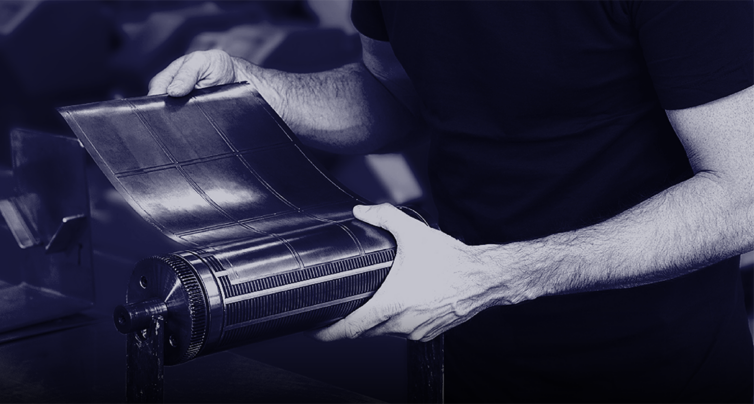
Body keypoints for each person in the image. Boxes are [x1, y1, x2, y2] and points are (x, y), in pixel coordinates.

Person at [147, 0, 754, 401]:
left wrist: (494, 275)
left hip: (656, 366)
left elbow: (742, 196)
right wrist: (258, 89)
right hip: (463, 345)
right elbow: (393, 94)